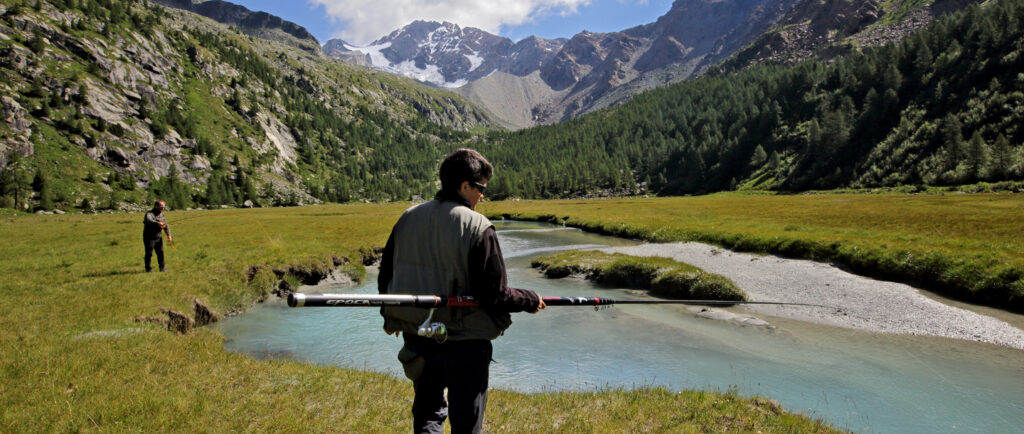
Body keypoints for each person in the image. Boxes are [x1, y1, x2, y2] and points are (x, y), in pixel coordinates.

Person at [378, 148, 545, 434]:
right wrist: (530, 299)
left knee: (428, 414)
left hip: (419, 336)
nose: (483, 196)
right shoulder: (477, 225)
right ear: (465, 186)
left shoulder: (407, 217)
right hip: (466, 344)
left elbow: (386, 276)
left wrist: (392, 316)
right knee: (466, 423)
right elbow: (495, 294)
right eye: (481, 188)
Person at [143, 200, 172, 272]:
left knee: (160, 253)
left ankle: (162, 268)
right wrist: (157, 223)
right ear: (156, 206)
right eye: (161, 207)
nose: (163, 209)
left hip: (158, 237)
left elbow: (166, 225)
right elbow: (149, 220)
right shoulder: (149, 214)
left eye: (164, 207)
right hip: (149, 237)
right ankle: (148, 269)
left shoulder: (162, 214)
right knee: (149, 253)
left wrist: (169, 236)